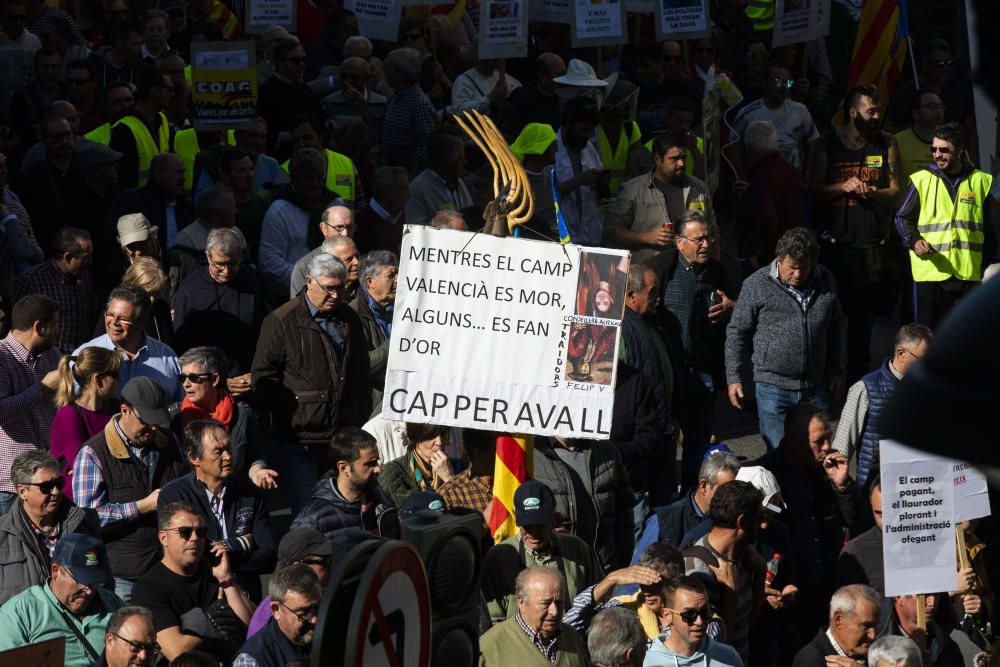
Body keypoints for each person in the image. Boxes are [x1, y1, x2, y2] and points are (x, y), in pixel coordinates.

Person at [252, 253, 371, 513]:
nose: (335, 294)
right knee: (309, 510)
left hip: (341, 435)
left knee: (342, 507)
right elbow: (262, 376)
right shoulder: (281, 320)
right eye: (328, 288)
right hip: (300, 439)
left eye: (340, 287)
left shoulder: (349, 318)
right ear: (309, 281)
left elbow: (361, 373)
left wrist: (358, 416)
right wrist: (293, 409)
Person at [756, 404, 872, 639]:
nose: (828, 448)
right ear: (794, 441)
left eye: (828, 438)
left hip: (828, 589)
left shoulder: (828, 472)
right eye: (819, 441)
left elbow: (860, 522)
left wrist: (842, 486)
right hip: (788, 594)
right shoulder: (766, 474)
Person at [811, 84, 901, 383]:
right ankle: (827, 375)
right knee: (829, 315)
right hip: (835, 245)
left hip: (870, 245)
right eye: (870, 111)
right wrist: (843, 186)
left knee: (863, 321)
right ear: (853, 112)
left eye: (878, 110)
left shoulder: (886, 142)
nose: (876, 116)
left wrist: (873, 192)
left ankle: (856, 381)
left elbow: (896, 192)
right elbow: (813, 190)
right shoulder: (826, 142)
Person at [725, 227, 844, 449]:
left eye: (804, 268)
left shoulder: (825, 278)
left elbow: (835, 325)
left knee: (818, 452)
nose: (797, 275)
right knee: (779, 454)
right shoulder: (756, 284)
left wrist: (835, 369)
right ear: (779, 259)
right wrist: (734, 377)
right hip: (773, 387)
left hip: (814, 385)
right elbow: (736, 331)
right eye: (792, 268)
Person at [72, 376, 187, 602]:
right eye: (146, 420)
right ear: (125, 410)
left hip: (170, 566)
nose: (153, 428)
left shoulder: (168, 442)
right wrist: (141, 507)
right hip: (124, 575)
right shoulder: (93, 453)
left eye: (157, 420)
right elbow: (87, 518)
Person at [647, 211, 733, 488]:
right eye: (698, 239)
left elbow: (739, 312)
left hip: (702, 371)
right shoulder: (661, 270)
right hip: (669, 372)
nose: (706, 244)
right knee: (664, 442)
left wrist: (731, 307)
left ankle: (693, 499)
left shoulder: (717, 272)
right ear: (679, 242)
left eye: (709, 237)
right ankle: (666, 500)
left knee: (697, 444)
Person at [158, 420, 275, 599]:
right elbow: (180, 556)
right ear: (194, 458)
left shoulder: (250, 493)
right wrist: (243, 543)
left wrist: (228, 553)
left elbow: (268, 556)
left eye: (228, 448)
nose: (228, 456)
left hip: (247, 597)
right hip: (198, 599)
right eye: (218, 452)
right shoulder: (174, 495)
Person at [894, 122, 994, 328]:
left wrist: (987, 264)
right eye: (934, 149)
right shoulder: (922, 180)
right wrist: (914, 241)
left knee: (964, 338)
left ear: (960, 150)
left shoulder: (981, 181)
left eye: (944, 150)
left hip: (967, 275)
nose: (937, 154)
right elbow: (902, 218)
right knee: (926, 338)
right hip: (930, 274)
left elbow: (990, 228)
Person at [131, 501, 255, 662]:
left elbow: (252, 627)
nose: (195, 538)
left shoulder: (216, 573)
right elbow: (176, 652)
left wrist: (226, 580)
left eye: (201, 532)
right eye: (185, 532)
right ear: (163, 538)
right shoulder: (148, 588)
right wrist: (207, 624)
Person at [483, 480, 605, 624]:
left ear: (554, 519)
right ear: (516, 517)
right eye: (527, 526)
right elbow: (492, 619)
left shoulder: (576, 549)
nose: (534, 533)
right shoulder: (499, 557)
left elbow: (600, 601)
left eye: (540, 525)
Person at [0, 533, 123, 667]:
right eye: (81, 581)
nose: (89, 591)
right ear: (56, 571)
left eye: (95, 583)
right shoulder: (20, 613)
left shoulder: (113, 604)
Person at [833, 324, 932, 488]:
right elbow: (841, 450)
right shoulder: (865, 389)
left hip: (920, 493)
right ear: (901, 354)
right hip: (876, 494)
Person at [0, 450, 99, 604]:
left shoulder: (85, 523)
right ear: (22, 491)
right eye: (46, 487)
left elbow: (103, 579)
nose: (56, 491)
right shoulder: (3, 535)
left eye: (59, 483)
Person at [683, 480, 765, 664]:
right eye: (759, 518)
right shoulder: (697, 571)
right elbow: (712, 650)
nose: (763, 525)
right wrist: (730, 594)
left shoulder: (745, 557)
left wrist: (760, 574)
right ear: (742, 522)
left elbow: (746, 626)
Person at [171, 346, 271, 485]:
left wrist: (258, 471)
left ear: (215, 379)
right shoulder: (175, 416)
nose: (186, 384)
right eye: (182, 378)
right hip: (191, 498)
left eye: (194, 378)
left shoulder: (241, 414)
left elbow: (254, 457)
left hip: (232, 494)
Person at [172, 227, 266, 374]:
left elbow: (267, 325)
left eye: (232, 263)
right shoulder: (190, 291)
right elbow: (181, 344)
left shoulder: (254, 281)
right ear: (208, 257)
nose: (227, 271)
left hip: (250, 372)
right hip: (209, 377)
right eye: (220, 264)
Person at [0, 294, 61, 514]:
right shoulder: (2, 357)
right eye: (54, 325)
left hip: (48, 476)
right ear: (39, 327)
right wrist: (43, 388)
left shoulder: (52, 355)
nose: (58, 331)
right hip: (11, 485)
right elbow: (2, 412)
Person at [74, 285, 184, 401]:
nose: (114, 322)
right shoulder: (85, 355)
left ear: (141, 320)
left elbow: (180, 406)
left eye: (123, 318)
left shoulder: (167, 357)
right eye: (110, 315)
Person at [633, 451, 740, 566]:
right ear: (704, 486)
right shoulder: (664, 521)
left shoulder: (736, 519)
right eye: (725, 491)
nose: (732, 499)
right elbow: (636, 573)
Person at [259, 148, 339, 300]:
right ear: (294, 179)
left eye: (319, 177)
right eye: (309, 178)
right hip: (292, 298)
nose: (316, 184)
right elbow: (269, 262)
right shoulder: (279, 211)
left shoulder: (335, 206)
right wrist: (311, 281)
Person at [290, 426, 398, 539]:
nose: (378, 469)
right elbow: (295, 553)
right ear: (344, 468)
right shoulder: (313, 519)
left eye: (377, 461)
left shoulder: (384, 499)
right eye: (370, 464)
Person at [479, 566, 590, 666]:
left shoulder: (573, 638)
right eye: (545, 603)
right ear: (521, 602)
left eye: (559, 602)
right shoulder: (489, 647)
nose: (554, 611)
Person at [50, 346, 120, 498]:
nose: (119, 380)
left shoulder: (116, 408)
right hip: (80, 502)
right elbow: (84, 465)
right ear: (98, 379)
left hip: (113, 491)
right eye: (114, 375)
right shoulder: (69, 415)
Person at [734, 120, 805, 271]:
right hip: (793, 251)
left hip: (770, 259)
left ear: (750, 148)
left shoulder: (763, 177)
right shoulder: (790, 171)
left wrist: (754, 250)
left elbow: (768, 218)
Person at [729, 62, 820, 178]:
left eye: (787, 82)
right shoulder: (748, 114)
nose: (783, 87)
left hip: (793, 180)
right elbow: (732, 149)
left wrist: (808, 174)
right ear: (764, 83)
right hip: (759, 182)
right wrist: (742, 178)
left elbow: (814, 141)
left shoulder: (800, 110)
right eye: (778, 81)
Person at [13, 227, 94, 351]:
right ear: (67, 257)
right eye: (85, 257)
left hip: (79, 357)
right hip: (46, 359)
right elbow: (16, 324)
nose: (90, 262)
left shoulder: (85, 277)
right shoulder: (33, 280)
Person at [245, 527, 333, 639]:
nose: (331, 566)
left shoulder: (308, 598)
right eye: (324, 562)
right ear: (298, 567)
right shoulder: (272, 619)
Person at [14, 114, 84, 249]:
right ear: (44, 140)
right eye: (57, 137)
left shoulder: (88, 166)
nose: (64, 141)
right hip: (51, 249)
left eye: (67, 135)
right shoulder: (32, 177)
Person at [644, 575, 744, 667]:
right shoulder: (646, 661)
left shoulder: (729, 657)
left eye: (706, 611)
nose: (699, 622)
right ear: (667, 615)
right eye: (689, 614)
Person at [233, 564, 320, 666]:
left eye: (318, 608)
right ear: (276, 610)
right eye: (303, 613)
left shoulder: (330, 634)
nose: (315, 619)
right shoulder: (252, 660)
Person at [105, 152, 192, 254]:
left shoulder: (185, 207)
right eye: (177, 173)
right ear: (158, 175)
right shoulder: (131, 202)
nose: (183, 178)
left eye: (183, 173)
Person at [554, 96, 606, 245]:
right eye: (584, 129)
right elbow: (548, 195)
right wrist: (578, 181)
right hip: (561, 233)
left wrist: (601, 180)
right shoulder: (552, 150)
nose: (588, 135)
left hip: (589, 232)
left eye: (591, 130)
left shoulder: (588, 148)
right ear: (569, 123)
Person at [109, 66, 173, 188]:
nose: (172, 94)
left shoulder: (162, 119)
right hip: (137, 203)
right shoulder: (124, 129)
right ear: (154, 91)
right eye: (169, 90)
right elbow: (124, 180)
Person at [792, 584, 881, 667]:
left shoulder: (878, 657)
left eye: (875, 625)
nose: (872, 635)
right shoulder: (809, 659)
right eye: (865, 626)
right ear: (839, 620)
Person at [257, 39, 319, 155]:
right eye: (296, 61)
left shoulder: (305, 90)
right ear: (280, 63)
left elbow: (319, 118)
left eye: (303, 60)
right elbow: (265, 133)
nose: (302, 65)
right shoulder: (265, 93)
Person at [380, 47, 436, 174]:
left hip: (407, 173)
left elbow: (426, 145)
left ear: (401, 73)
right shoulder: (395, 97)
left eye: (388, 68)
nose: (384, 72)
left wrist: (412, 172)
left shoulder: (419, 104)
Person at [352, 249, 396, 407]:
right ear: (370, 281)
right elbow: (365, 365)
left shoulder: (403, 308)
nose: (398, 280)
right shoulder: (352, 315)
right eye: (391, 275)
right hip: (372, 405)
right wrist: (400, 338)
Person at [284, 204, 355, 298]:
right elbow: (299, 307)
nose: (345, 233)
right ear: (324, 228)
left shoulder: (360, 261)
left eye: (350, 228)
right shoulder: (305, 267)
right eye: (339, 227)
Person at [379, 422, 460, 503]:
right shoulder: (392, 472)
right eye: (431, 435)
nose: (439, 442)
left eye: (443, 433)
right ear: (416, 436)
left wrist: (450, 479)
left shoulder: (460, 466)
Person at [403, 133, 472, 227]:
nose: (465, 162)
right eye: (460, 158)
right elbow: (415, 230)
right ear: (445, 161)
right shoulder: (418, 188)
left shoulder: (459, 183)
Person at [216, 147, 270, 260]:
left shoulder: (264, 206)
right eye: (241, 171)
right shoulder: (219, 211)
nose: (249, 175)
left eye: (250, 169)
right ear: (226, 175)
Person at [881, 594, 964, 667]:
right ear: (899, 597)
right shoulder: (877, 645)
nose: (932, 603)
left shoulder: (948, 644)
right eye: (924, 595)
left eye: (936, 595)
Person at [837, 476, 885, 595]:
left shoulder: (931, 543)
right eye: (880, 514)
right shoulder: (856, 553)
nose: (887, 523)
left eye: (893, 512)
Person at [438, 428, 495, 519]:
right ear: (479, 454)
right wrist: (483, 524)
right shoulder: (449, 495)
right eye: (500, 449)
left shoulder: (516, 482)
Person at [320, 56, 388, 131]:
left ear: (367, 78)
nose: (348, 81)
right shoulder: (328, 102)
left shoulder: (382, 103)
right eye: (344, 76)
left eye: (354, 77)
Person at [353, 166, 409, 255]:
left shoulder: (402, 217)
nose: (409, 195)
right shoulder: (360, 223)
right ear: (387, 191)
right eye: (405, 189)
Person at [894, 90, 945, 185]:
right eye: (931, 107)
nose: (938, 111)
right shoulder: (896, 142)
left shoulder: (951, 142)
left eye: (941, 107)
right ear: (915, 114)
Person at [290, 234, 360, 300]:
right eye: (349, 259)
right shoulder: (318, 296)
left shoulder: (366, 284)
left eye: (357, 256)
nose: (357, 262)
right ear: (330, 262)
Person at [450, 56, 521, 117]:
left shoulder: (505, 77)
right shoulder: (463, 81)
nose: (491, 64)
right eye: (486, 60)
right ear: (476, 58)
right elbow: (459, 111)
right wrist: (489, 98)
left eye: (495, 60)